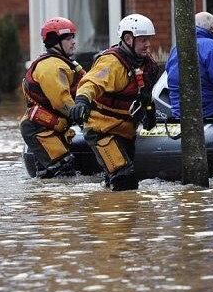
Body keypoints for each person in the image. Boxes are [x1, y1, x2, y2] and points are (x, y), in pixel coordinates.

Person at [69, 14, 162, 191]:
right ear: (128, 39)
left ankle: (108, 206)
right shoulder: (111, 63)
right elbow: (91, 83)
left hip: (125, 130)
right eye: (143, 40)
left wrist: (149, 113)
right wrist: (81, 101)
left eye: (148, 40)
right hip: (102, 129)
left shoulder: (148, 65)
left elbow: (145, 96)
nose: (148, 44)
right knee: (124, 178)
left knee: (118, 180)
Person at [20, 17, 86, 178]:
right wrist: (86, 119)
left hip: (51, 127)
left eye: (73, 38)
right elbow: (61, 102)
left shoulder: (66, 63)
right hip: (40, 128)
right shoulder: (51, 67)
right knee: (64, 172)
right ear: (55, 42)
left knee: (49, 177)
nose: (73, 42)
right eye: (68, 38)